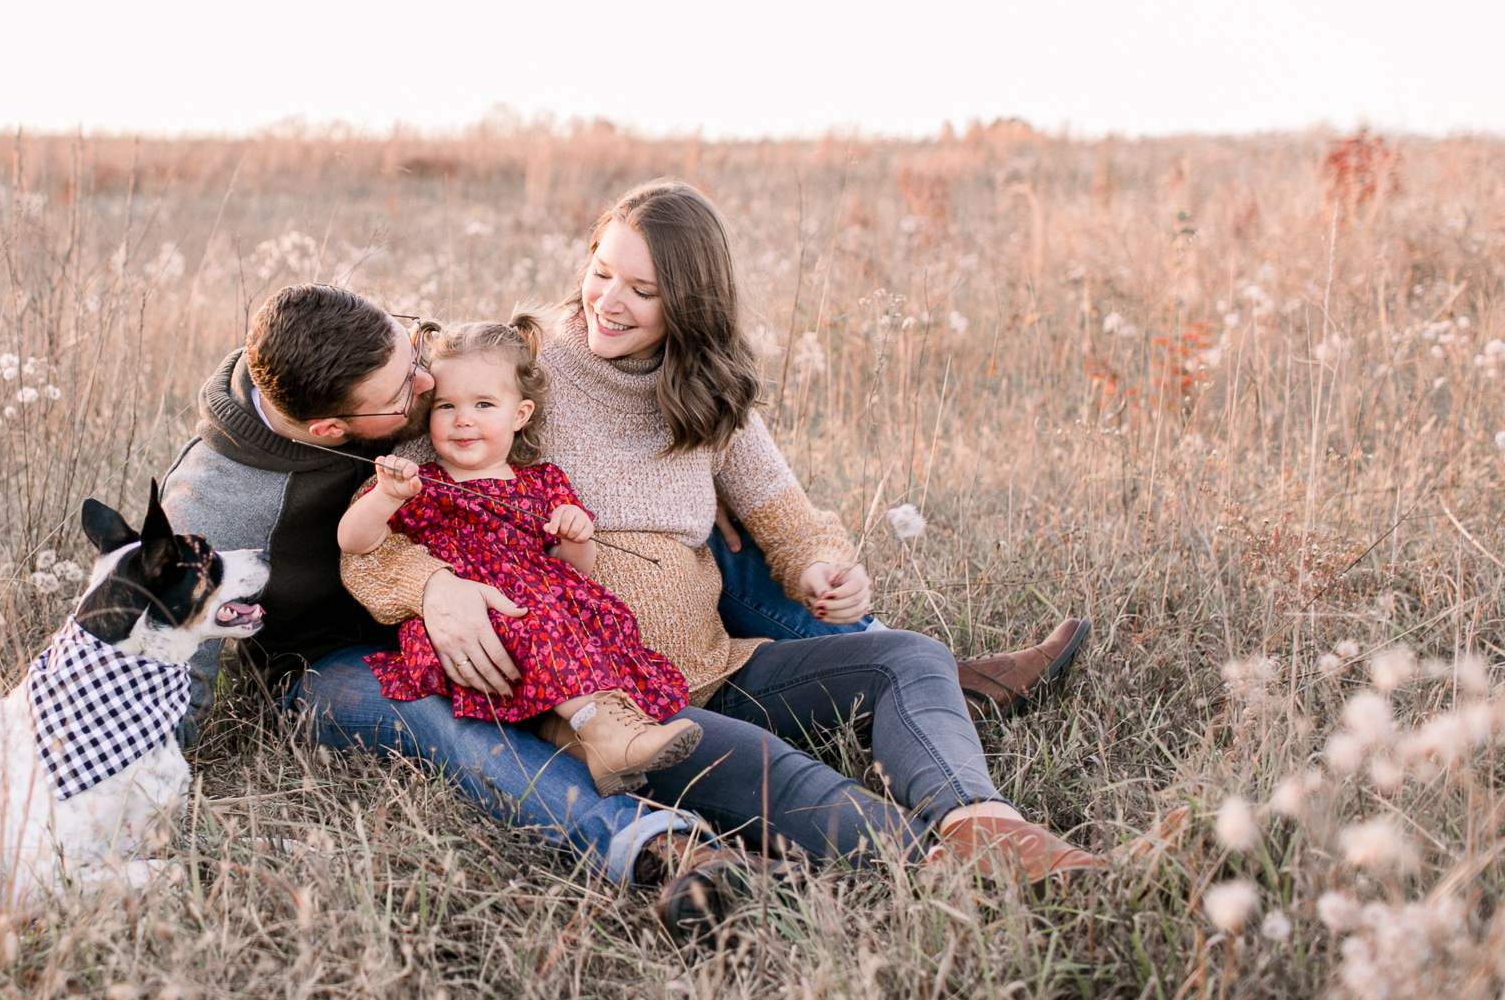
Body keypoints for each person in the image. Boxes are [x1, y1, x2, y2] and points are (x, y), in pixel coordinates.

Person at [339, 180, 1103, 883]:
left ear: (691, 303)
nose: (607, 300)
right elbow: (395, 512)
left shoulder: (706, 389)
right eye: (601, 271)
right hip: (615, 701)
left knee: (911, 658)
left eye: (643, 290)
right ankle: (933, 866)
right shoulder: (517, 375)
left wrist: (825, 566)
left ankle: (989, 826)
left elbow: (786, 515)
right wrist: (432, 586)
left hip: (719, 665)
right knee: (766, 764)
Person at [159, 284, 770, 941]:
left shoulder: (356, 350)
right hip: (332, 660)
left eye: (411, 352)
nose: (425, 385)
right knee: (442, 722)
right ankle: (661, 848)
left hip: (492, 590)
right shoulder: (208, 505)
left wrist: (700, 477)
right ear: (330, 432)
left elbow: (505, 388)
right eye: (404, 393)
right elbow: (173, 669)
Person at [338, 317, 701, 796]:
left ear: (520, 414)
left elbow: (575, 571)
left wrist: (576, 533)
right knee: (537, 622)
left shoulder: (542, 482)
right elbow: (354, 542)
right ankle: (608, 732)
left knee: (589, 617)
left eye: (483, 404)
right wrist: (385, 496)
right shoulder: (421, 483)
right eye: (446, 406)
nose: (462, 419)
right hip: (481, 619)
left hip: (543, 606)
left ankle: (582, 736)